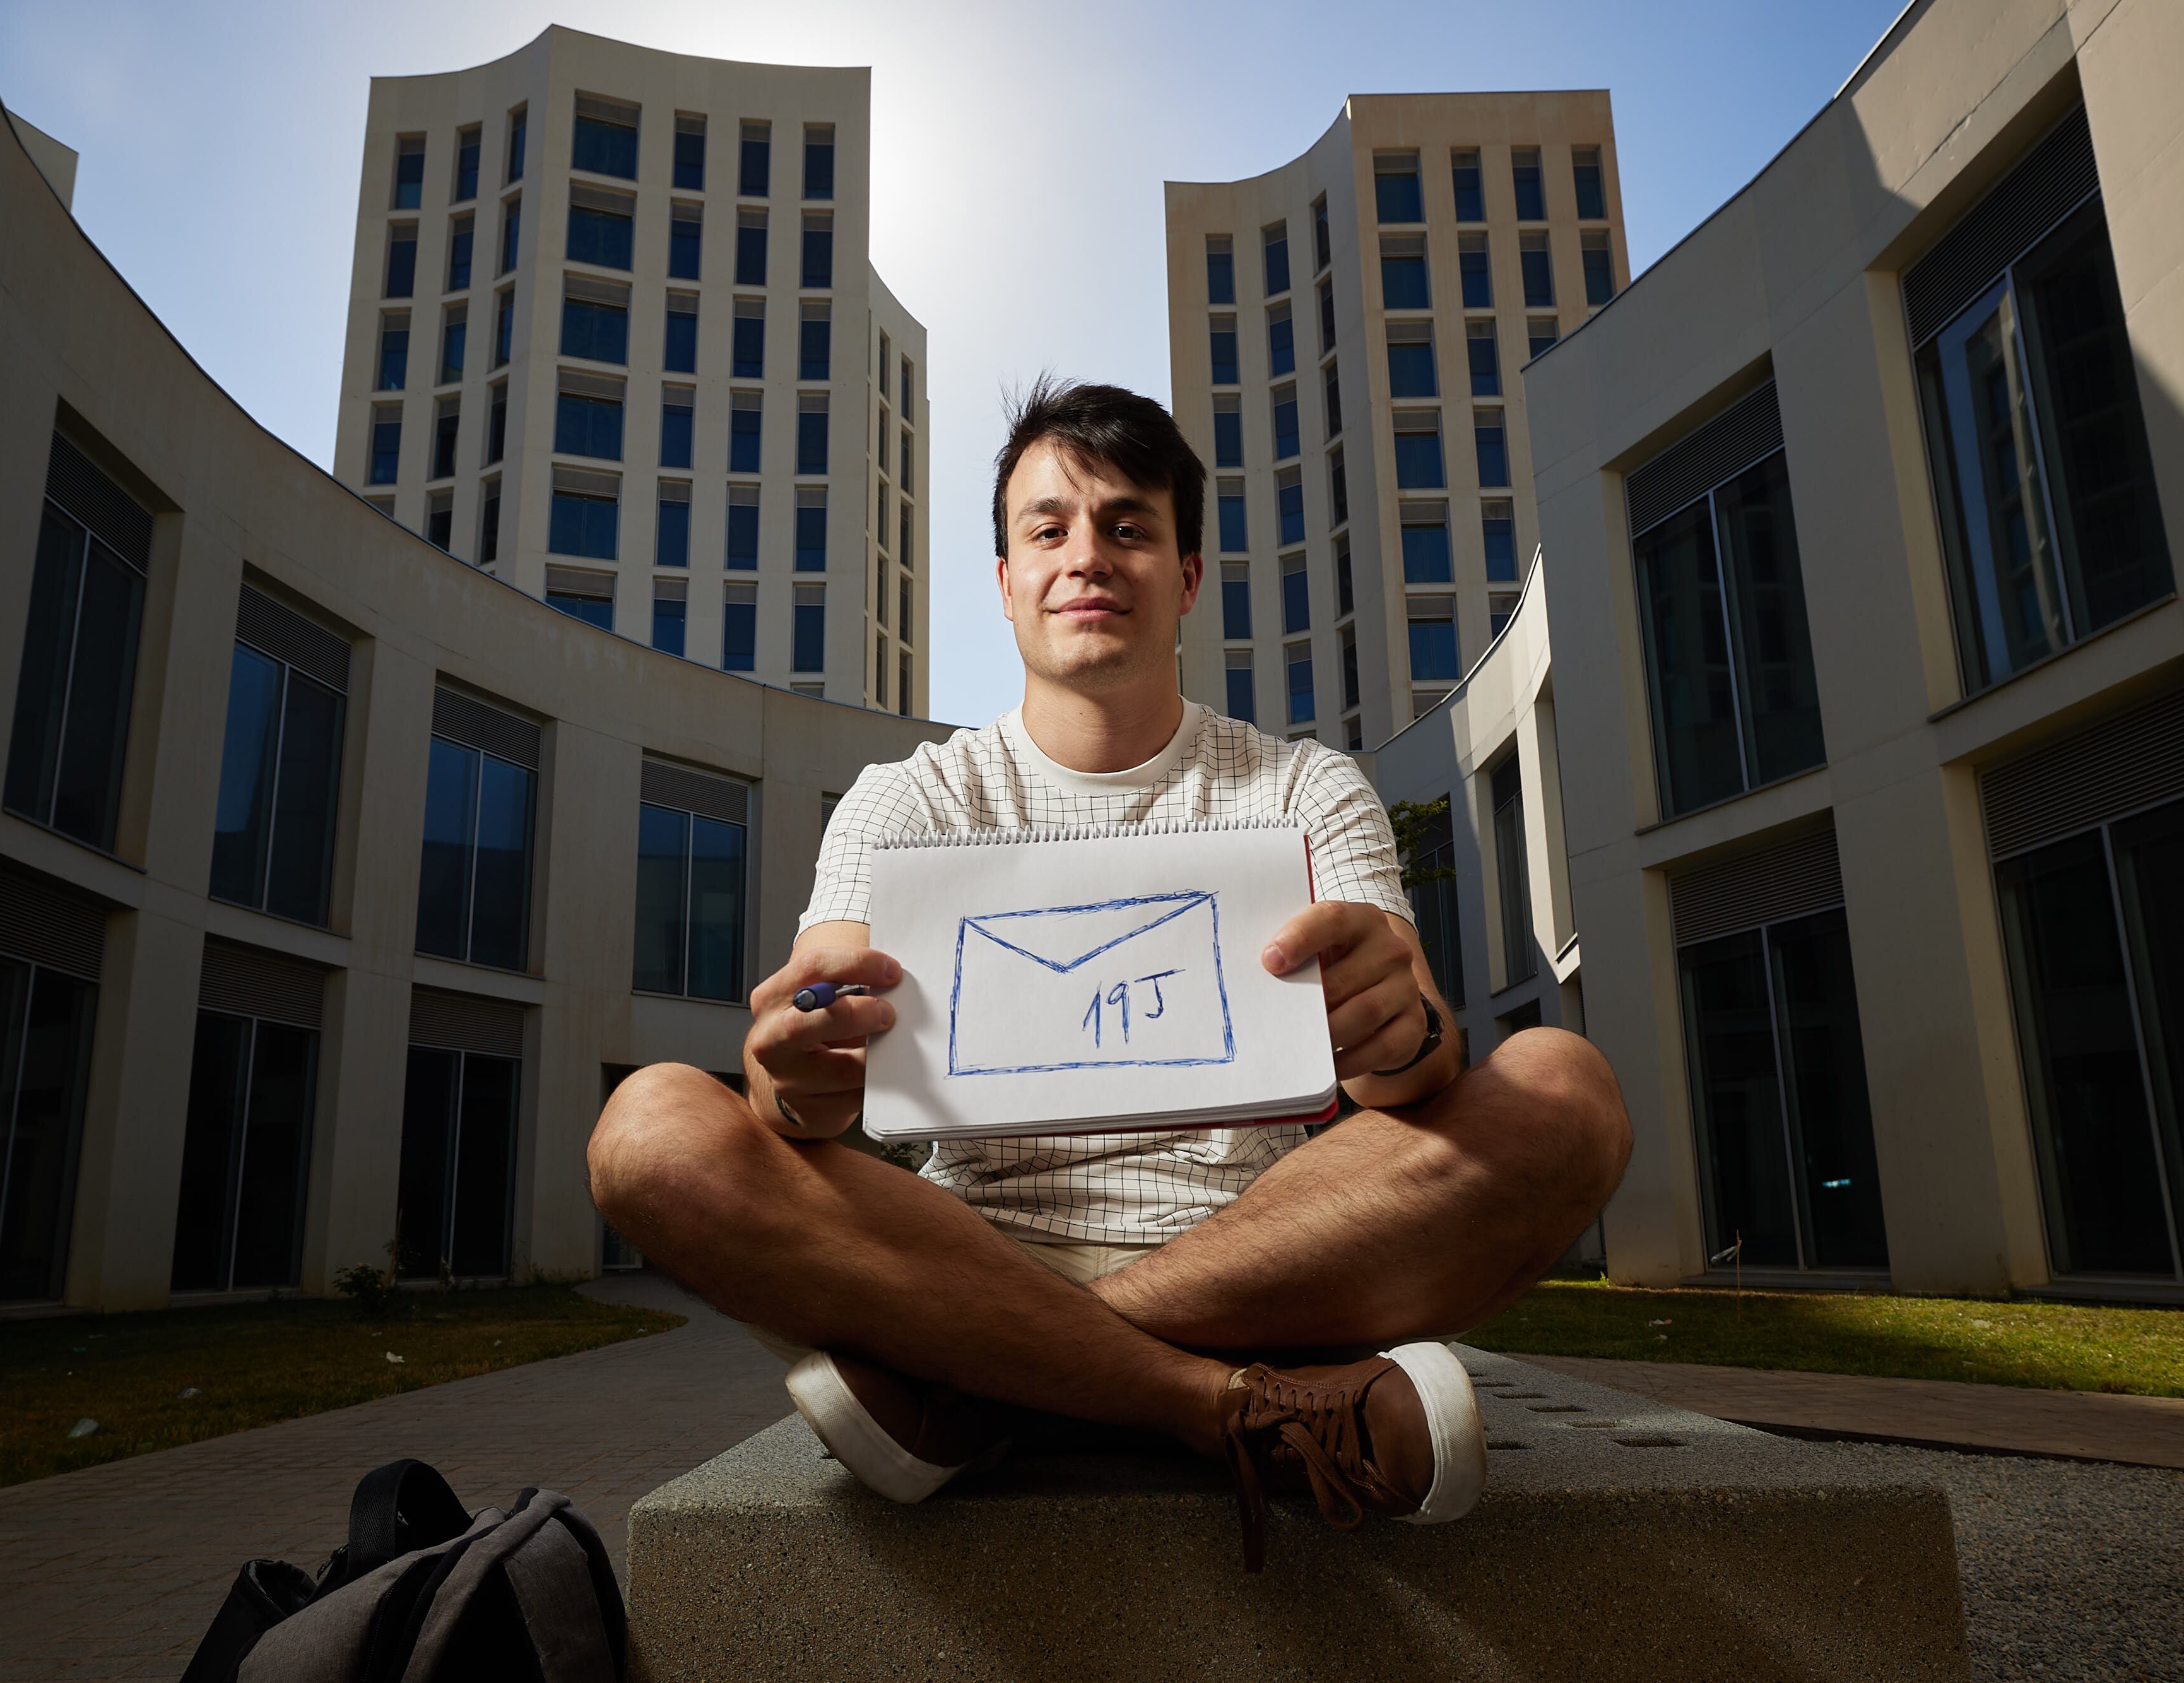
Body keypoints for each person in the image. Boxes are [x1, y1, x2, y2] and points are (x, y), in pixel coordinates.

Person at [590, 378, 1630, 1571]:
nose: (1088, 556)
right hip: (969, 1243)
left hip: (1272, 1252)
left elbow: (1418, 1071)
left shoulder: (1307, 788)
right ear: (1004, 583)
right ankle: (1215, 1403)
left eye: (1130, 526)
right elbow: (801, 1092)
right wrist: (795, 1078)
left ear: (1185, 576)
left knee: (1564, 1088)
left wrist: (1402, 1035)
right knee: (649, 1130)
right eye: (1050, 529)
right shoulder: (908, 801)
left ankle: (983, 1386)